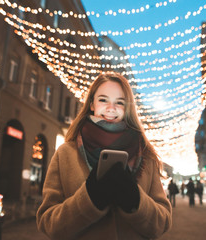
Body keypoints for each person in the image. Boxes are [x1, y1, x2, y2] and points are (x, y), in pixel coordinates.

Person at [36, 72, 172, 240]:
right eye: (103, 100)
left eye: (119, 102)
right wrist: (89, 199)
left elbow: (163, 222)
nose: (111, 108)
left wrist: (135, 201)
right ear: (92, 103)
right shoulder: (65, 153)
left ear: (127, 108)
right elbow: (48, 223)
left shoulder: (145, 155)